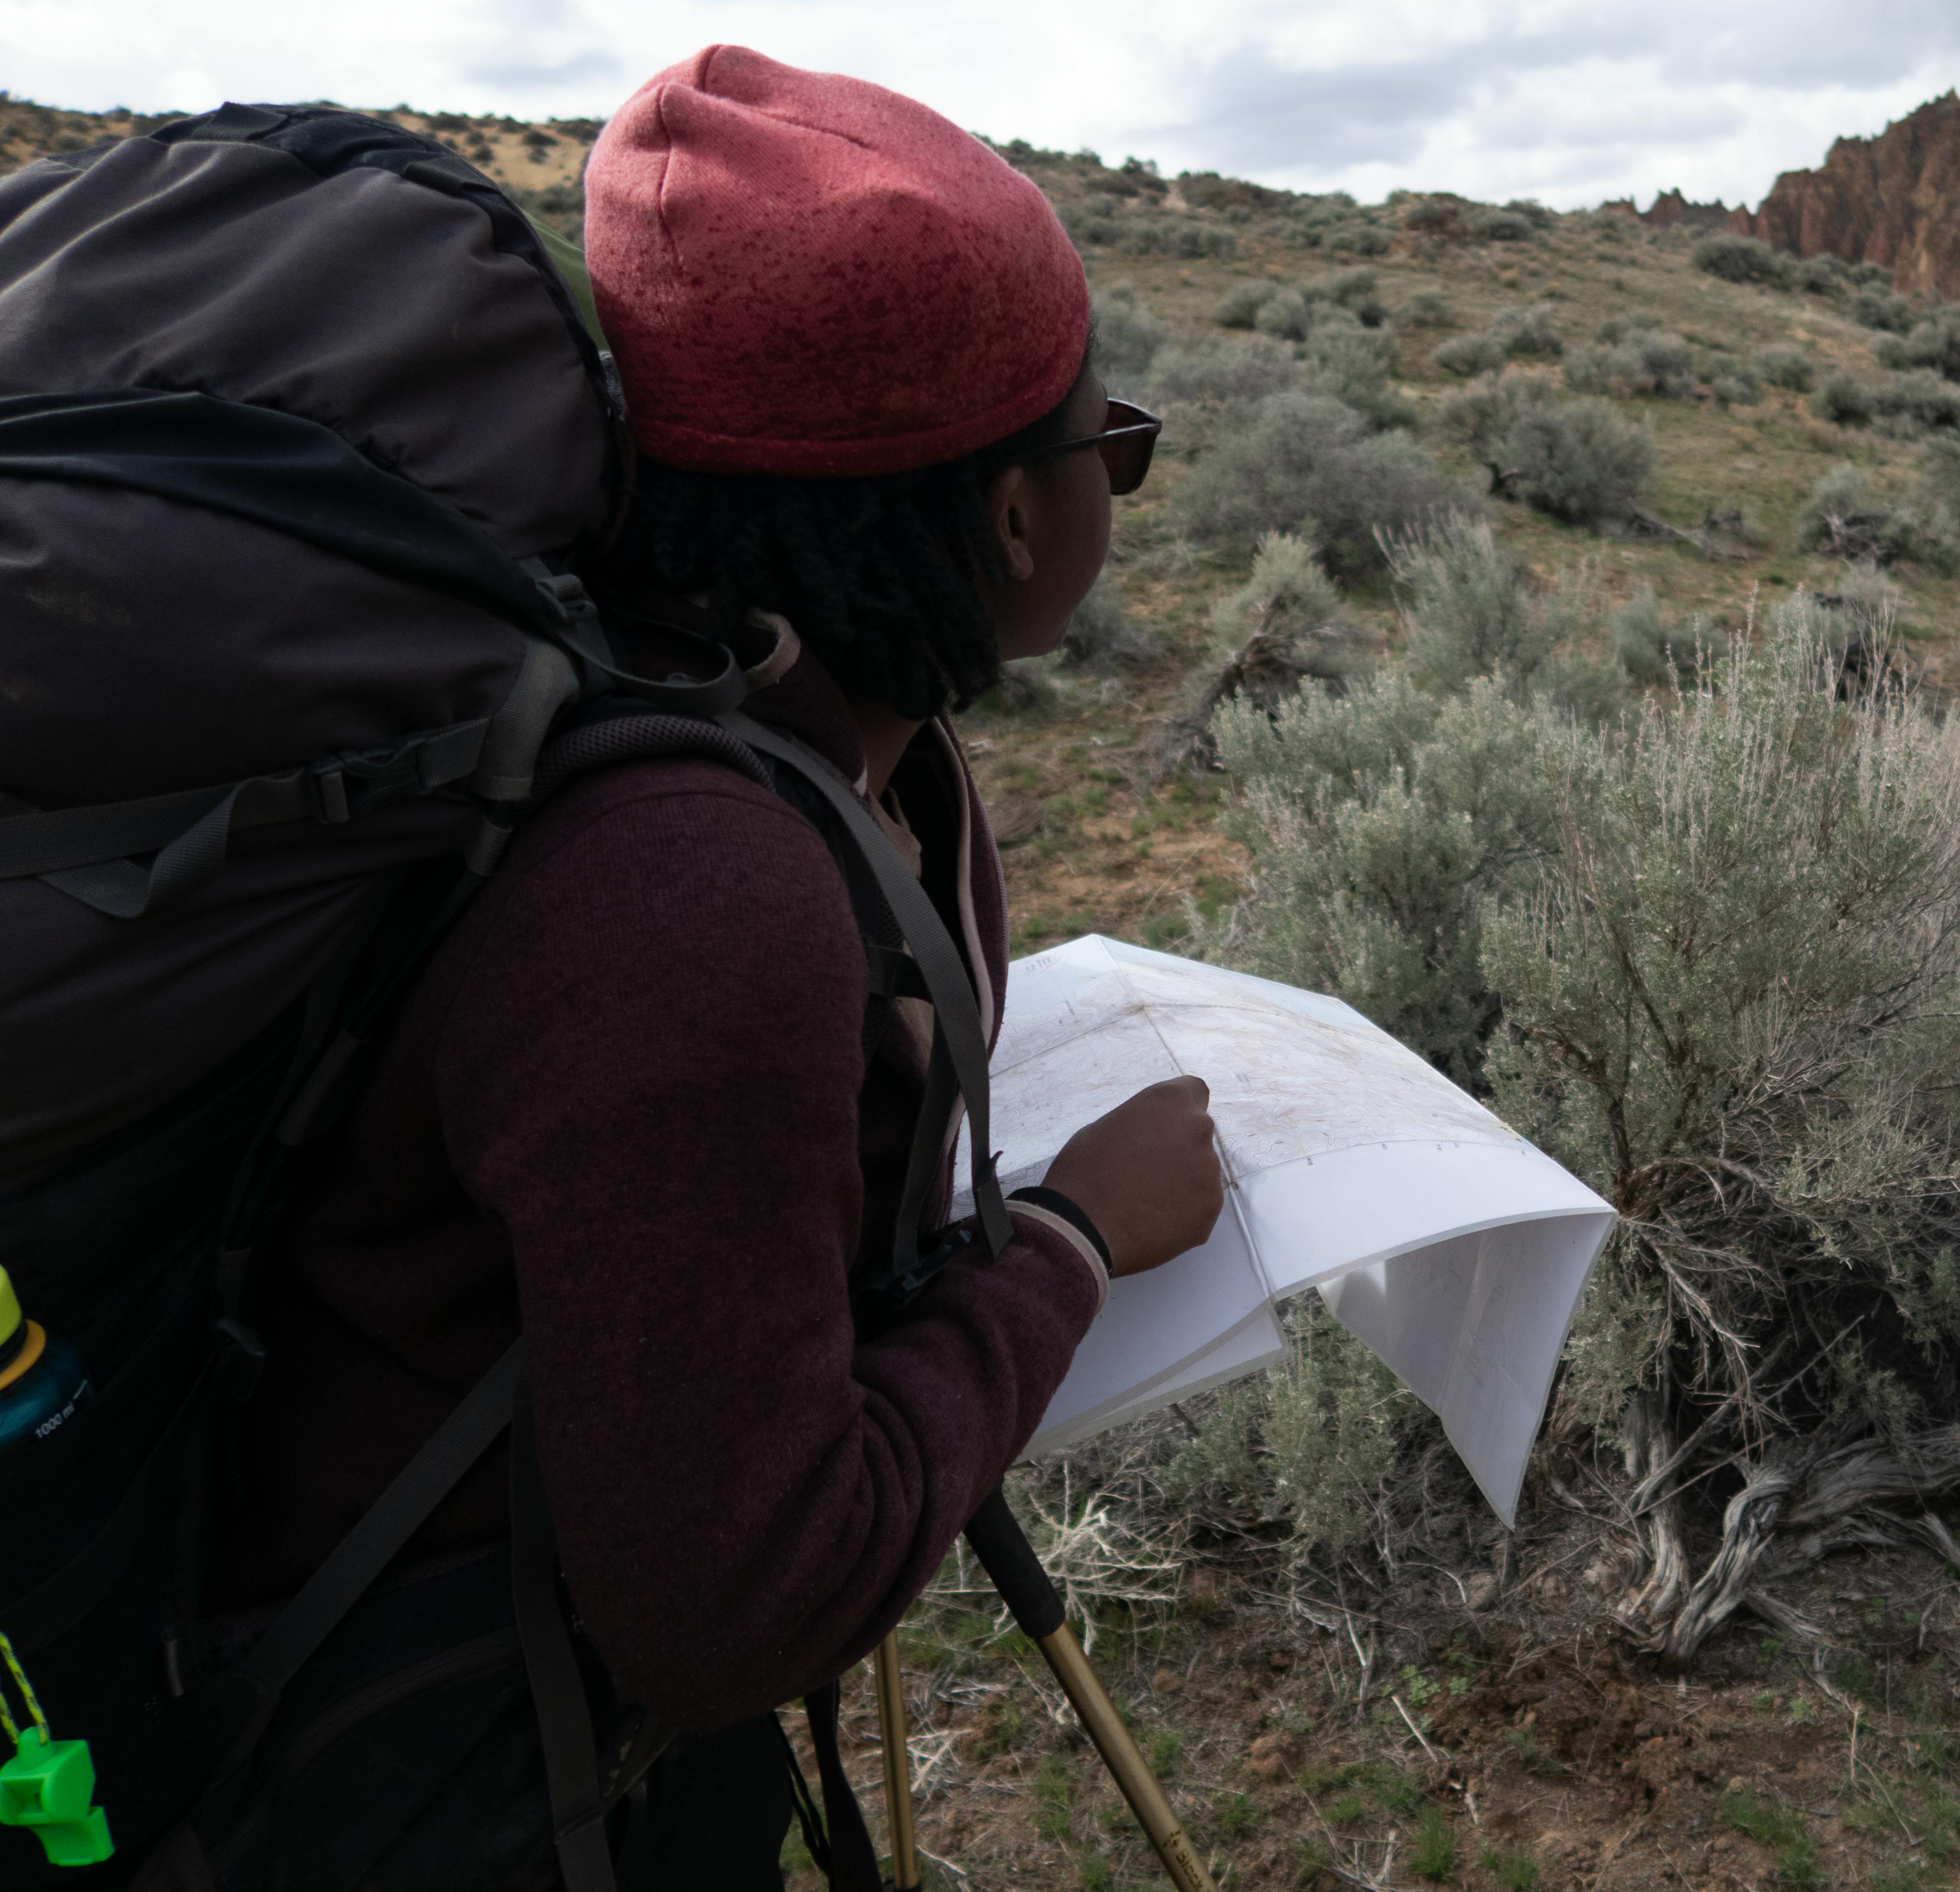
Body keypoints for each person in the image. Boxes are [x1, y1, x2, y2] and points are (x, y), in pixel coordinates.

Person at [211, 45, 1223, 1887]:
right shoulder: (698, 888)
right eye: (1113, 444)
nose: (1117, 483)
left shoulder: (775, 723)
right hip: (414, 1793)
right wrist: (1073, 1244)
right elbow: (741, 1599)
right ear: (1009, 516)